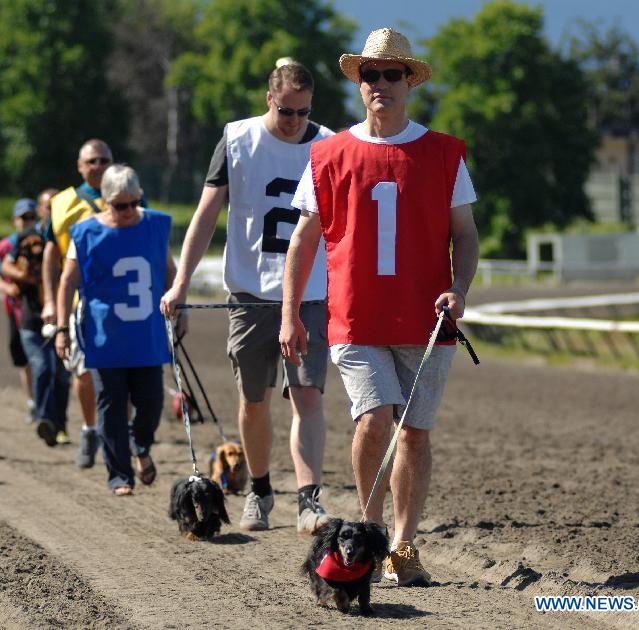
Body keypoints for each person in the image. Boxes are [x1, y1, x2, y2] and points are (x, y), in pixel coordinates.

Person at [279, 27, 479, 586]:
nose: (381, 84)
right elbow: (304, 240)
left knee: (414, 432)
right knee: (374, 418)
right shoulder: (327, 155)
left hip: (428, 318)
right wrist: (290, 312)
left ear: (408, 81)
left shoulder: (443, 153)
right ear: (359, 83)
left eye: (392, 73)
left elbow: (465, 234)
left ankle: (405, 545)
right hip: (355, 318)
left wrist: (459, 287)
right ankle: (366, 534)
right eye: (371, 74)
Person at [160, 61, 335, 534]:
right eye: (285, 110)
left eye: (303, 112)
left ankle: (308, 499)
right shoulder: (237, 140)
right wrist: (180, 284)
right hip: (251, 293)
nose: (295, 121)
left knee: (307, 396)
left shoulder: (328, 145)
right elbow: (205, 215)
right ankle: (259, 489)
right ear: (268, 99)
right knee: (253, 402)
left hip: (311, 295)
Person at [55, 165, 178, 495]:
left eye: (132, 204)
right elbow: (67, 282)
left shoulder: (155, 225)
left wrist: (179, 307)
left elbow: (169, 271)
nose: (127, 212)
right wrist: (61, 327)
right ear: (105, 201)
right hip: (104, 336)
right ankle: (119, 475)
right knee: (110, 406)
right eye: (118, 205)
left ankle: (140, 444)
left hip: (147, 335)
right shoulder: (84, 233)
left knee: (151, 402)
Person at [42, 139, 113, 468]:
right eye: (92, 161)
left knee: (122, 369)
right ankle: (88, 429)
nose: (98, 166)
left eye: (104, 160)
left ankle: (116, 432)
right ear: (80, 166)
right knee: (83, 371)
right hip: (78, 301)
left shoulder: (128, 193)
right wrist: (49, 302)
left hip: (121, 300)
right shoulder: (63, 203)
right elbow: (50, 256)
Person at [0, 198, 71, 447]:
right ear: (41, 210)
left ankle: (60, 425)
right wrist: (24, 276)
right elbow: (5, 266)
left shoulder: (69, 234)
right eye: (47, 206)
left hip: (63, 315)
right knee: (42, 367)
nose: (50, 211)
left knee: (62, 374)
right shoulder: (26, 237)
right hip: (32, 317)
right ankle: (44, 420)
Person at [0, 199, 38, 423]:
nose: (27, 222)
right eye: (23, 218)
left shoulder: (41, 241)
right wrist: (8, 287)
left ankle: (42, 402)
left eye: (31, 217)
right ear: (15, 221)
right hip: (15, 309)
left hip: (35, 307)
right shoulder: (5, 247)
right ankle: (31, 401)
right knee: (24, 359)